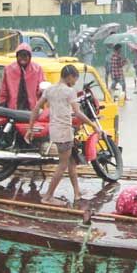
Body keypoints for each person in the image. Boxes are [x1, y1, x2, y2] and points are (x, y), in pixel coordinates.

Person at [25, 64, 101, 205]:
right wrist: (94, 125)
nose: (75, 82)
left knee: (71, 162)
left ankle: (77, 193)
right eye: (75, 79)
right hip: (64, 131)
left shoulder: (49, 90)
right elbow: (78, 113)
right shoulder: (69, 92)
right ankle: (48, 197)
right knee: (63, 165)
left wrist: (30, 128)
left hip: (55, 130)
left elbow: (36, 108)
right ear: (70, 77)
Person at [0, 43, 43, 111]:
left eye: (25, 56)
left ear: (29, 57)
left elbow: (41, 88)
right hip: (13, 109)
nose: (23, 58)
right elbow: (4, 90)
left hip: (31, 110)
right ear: (17, 56)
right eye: (20, 55)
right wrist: (2, 104)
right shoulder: (9, 69)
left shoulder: (37, 69)